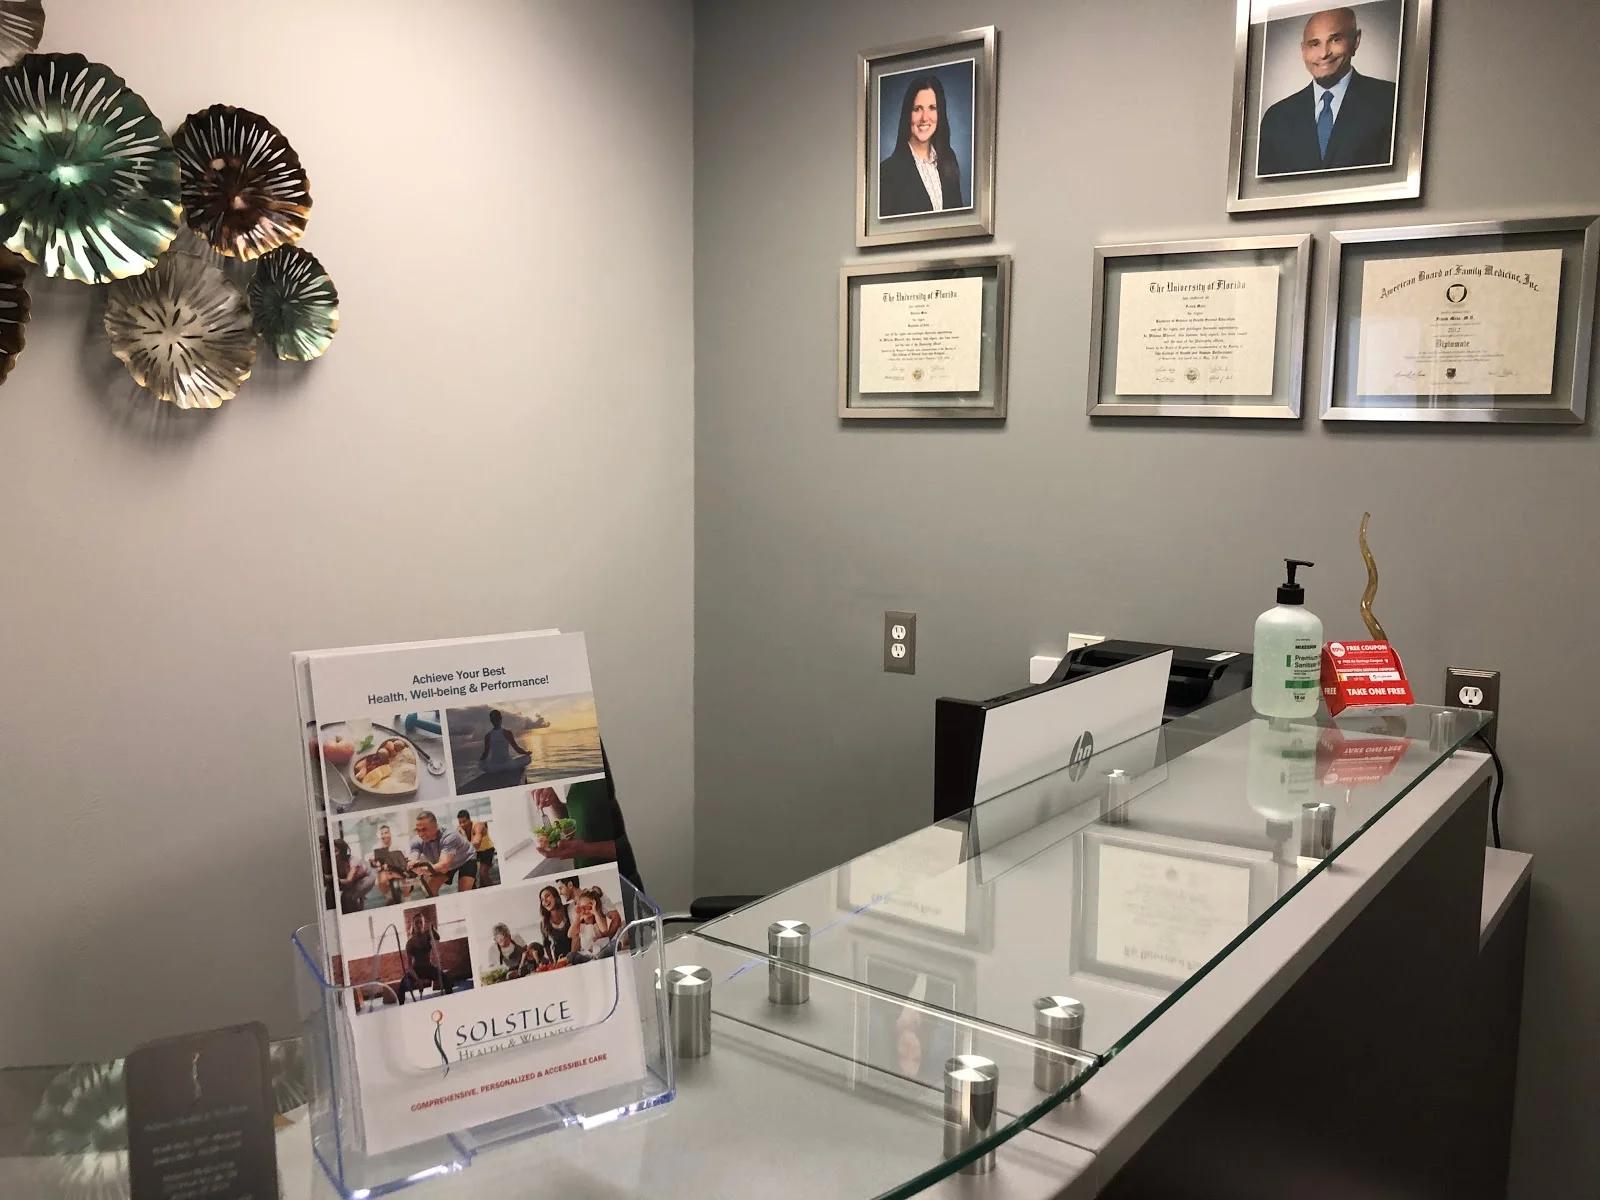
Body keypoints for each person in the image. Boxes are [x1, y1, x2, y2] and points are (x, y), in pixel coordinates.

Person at [1257, 7, 1397, 177]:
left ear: (1356, 41)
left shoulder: (1391, 100)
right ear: (1303, 50)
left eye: (1335, 39)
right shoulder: (1276, 118)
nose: (1324, 54)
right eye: (1314, 44)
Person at [878, 73, 965, 218]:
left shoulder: (949, 159)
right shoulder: (887, 172)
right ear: (908, 114)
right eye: (917, 109)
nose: (925, 118)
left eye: (932, 108)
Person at [407, 809, 478, 896]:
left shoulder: (449, 836)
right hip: (447, 863)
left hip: (466, 859)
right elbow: (413, 856)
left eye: (424, 829)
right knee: (430, 889)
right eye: (418, 830)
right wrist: (412, 864)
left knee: (464, 891)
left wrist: (422, 870)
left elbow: (444, 867)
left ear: (435, 827)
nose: (421, 834)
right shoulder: (417, 840)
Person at [400, 910, 446, 1002]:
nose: (419, 925)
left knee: (446, 979)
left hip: (428, 967)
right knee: (401, 988)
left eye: (421, 922)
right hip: (416, 970)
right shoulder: (410, 943)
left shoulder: (428, 934)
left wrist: (432, 929)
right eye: (416, 923)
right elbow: (410, 967)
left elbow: (438, 938)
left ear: (423, 924)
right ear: (413, 925)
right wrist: (418, 981)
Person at [478, 709, 532, 779]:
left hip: (494, 768)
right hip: (508, 766)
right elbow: (517, 749)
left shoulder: (488, 736)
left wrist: (481, 761)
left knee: (481, 764)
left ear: (491, 721)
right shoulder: (507, 733)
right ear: (501, 719)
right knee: (528, 758)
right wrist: (526, 753)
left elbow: (485, 754)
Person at [368, 824, 411, 904]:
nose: (384, 835)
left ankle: (407, 898)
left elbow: (407, 858)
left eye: (386, 833)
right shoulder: (376, 846)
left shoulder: (400, 842)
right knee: (380, 882)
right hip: (385, 869)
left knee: (405, 880)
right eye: (382, 833)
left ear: (390, 833)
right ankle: (390, 897)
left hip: (400, 867)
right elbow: (375, 864)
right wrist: (373, 861)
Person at [334, 838, 374, 913]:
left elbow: (349, 879)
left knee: (349, 897)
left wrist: (336, 880)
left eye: (335, 851)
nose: (333, 854)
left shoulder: (353, 860)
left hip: (367, 878)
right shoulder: (337, 862)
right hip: (355, 881)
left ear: (342, 851)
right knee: (343, 898)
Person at [538, 885, 574, 964]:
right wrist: (552, 963)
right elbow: (546, 945)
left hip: (576, 955)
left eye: (547, 896)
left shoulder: (569, 909)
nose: (545, 901)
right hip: (560, 961)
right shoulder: (544, 922)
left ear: (555, 896)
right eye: (542, 900)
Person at [470, 820, 497, 886]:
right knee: (473, 874)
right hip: (476, 851)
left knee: (483, 874)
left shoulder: (478, 827)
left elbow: (477, 841)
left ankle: (491, 887)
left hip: (487, 850)